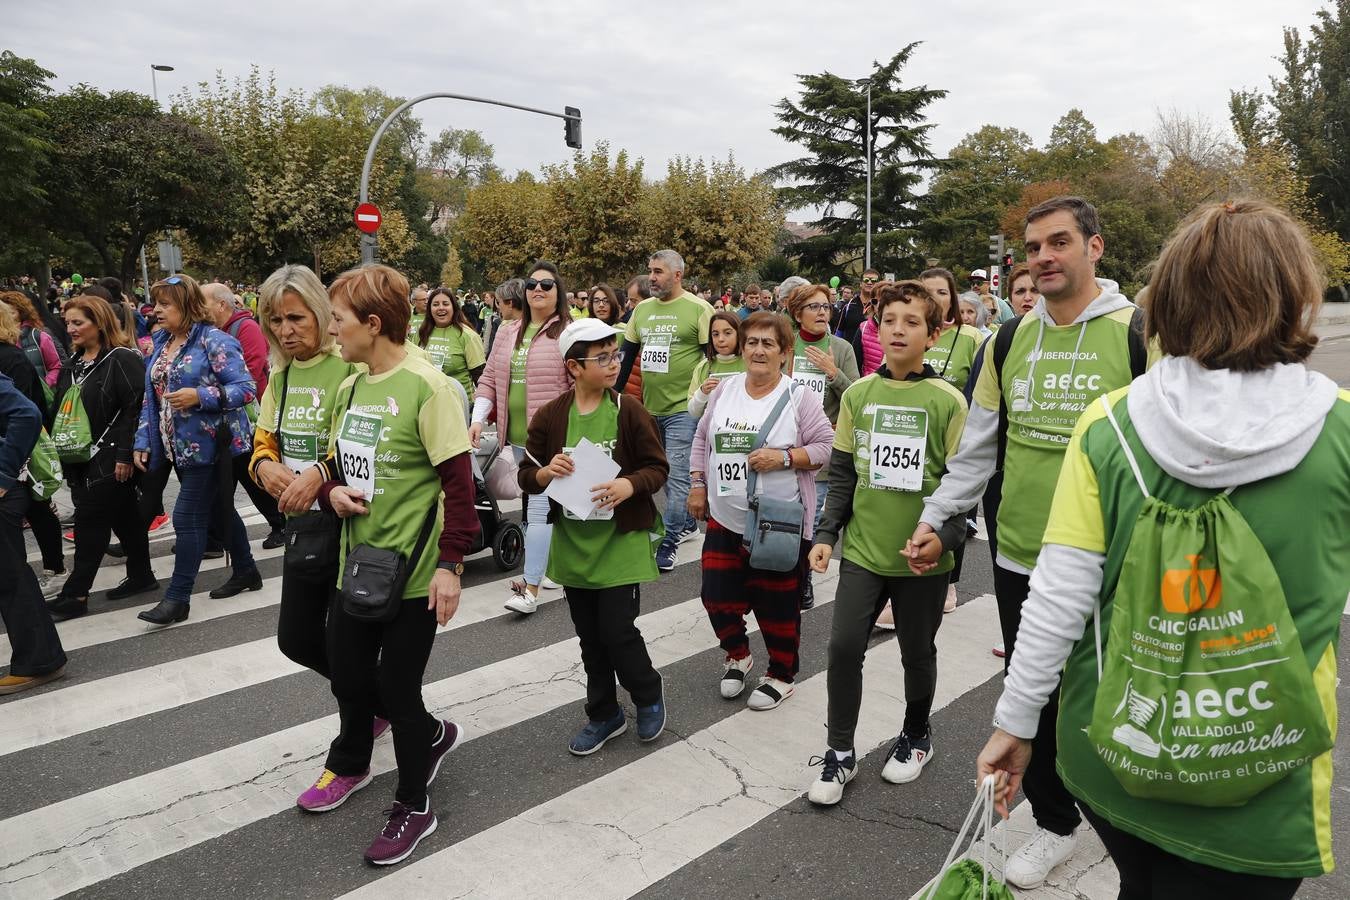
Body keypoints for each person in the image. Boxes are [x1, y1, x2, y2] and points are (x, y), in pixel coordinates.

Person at [977, 199, 1348, 900]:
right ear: (1295, 294)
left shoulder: (1110, 425)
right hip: (1264, 764)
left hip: (1118, 750)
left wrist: (1016, 721)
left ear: (1172, 298)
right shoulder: (1339, 432)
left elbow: (1059, 593)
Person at [913, 196, 1149, 889]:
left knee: (1121, 693)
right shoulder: (1007, 341)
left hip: (1117, 561)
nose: (1043, 257)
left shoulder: (1137, 331)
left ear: (1095, 247)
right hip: (1020, 554)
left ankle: (1129, 814)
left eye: (1059, 242)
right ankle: (1055, 824)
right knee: (1036, 696)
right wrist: (937, 518)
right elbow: (978, 449)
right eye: (1033, 246)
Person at [305, 263, 478, 866]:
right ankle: (431, 735)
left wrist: (451, 565)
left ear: (373, 325)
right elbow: (340, 460)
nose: (332, 330)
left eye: (339, 320)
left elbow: (460, 485)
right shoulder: (351, 386)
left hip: (414, 570)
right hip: (357, 566)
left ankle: (414, 804)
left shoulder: (429, 388)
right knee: (350, 679)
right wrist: (330, 490)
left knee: (400, 692)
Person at [805, 280, 968, 805]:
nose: (899, 329)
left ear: (934, 334)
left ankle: (917, 736)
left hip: (922, 560)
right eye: (889, 319)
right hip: (864, 553)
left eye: (912, 321)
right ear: (877, 326)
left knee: (916, 652)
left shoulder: (947, 401)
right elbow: (845, 473)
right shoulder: (858, 394)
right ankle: (839, 752)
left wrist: (941, 542)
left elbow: (963, 491)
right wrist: (828, 533)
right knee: (842, 647)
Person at [518, 319, 669, 755]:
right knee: (589, 637)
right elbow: (527, 473)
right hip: (574, 545)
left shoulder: (628, 409)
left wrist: (628, 485)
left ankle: (647, 694)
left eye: (614, 354)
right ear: (573, 366)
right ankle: (604, 713)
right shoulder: (551, 416)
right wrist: (546, 472)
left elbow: (657, 468)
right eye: (600, 357)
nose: (612, 363)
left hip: (619, 541)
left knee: (618, 631)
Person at [687, 312, 833, 711]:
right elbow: (702, 439)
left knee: (777, 607)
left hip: (778, 522)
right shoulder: (725, 390)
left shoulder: (798, 397)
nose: (758, 350)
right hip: (725, 517)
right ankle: (738, 654)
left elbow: (825, 446)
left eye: (769, 344)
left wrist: (783, 458)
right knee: (716, 597)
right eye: (752, 342)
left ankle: (781, 675)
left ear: (785, 353)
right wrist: (698, 485)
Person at [248, 265, 360, 766]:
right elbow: (263, 438)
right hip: (304, 527)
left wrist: (320, 471)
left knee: (346, 644)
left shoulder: (349, 367)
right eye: (275, 320)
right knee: (296, 639)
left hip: (352, 523)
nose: (286, 330)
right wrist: (263, 465)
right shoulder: (282, 373)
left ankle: (354, 744)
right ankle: (392, 708)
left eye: (296, 317)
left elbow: (362, 441)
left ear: (319, 313)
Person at [132, 275, 260, 626]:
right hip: (176, 447)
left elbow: (246, 389)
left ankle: (177, 599)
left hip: (210, 447)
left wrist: (200, 397)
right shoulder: (162, 341)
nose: (156, 310)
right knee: (221, 509)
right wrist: (143, 439)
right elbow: (151, 398)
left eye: (165, 303)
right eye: (156, 303)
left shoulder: (214, 341)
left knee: (187, 518)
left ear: (187, 306)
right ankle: (247, 570)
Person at [44, 297, 156, 621]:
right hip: (80, 455)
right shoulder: (74, 363)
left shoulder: (121, 358)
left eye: (78, 322)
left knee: (90, 522)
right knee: (125, 518)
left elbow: (137, 408)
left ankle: (75, 594)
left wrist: (125, 453)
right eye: (68, 323)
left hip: (109, 457)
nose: (71, 329)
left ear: (100, 322)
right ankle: (141, 576)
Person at [470, 261, 570, 614]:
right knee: (543, 505)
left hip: (552, 439)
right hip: (514, 436)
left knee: (541, 508)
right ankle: (556, 565)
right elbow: (489, 379)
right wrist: (479, 418)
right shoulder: (507, 331)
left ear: (558, 293)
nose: (538, 289)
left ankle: (530, 588)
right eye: (531, 284)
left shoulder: (568, 332)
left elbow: (580, 386)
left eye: (546, 284)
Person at [615, 250, 714, 572]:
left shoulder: (699, 309)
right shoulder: (641, 310)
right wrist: (613, 396)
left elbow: (713, 356)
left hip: (685, 409)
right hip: (648, 408)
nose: (652, 277)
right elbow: (626, 356)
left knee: (677, 473)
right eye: (650, 271)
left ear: (678, 275)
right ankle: (685, 524)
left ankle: (668, 541)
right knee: (658, 474)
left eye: (658, 271)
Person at [787, 282, 859, 609]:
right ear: (797, 313)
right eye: (813, 307)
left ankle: (803, 580)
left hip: (822, 449)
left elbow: (856, 399)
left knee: (811, 519)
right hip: (785, 445)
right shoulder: (785, 345)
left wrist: (833, 373)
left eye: (825, 307)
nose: (821, 313)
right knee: (787, 515)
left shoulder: (841, 348)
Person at [204, 282, 285, 550]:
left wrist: (215, 392)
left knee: (251, 475)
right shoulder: (215, 332)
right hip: (227, 416)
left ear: (221, 304)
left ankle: (278, 524)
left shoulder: (246, 328)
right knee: (232, 479)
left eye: (203, 302)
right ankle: (217, 535)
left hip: (248, 415)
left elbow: (251, 369)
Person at [0, 372, 67, 694]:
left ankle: (40, 660)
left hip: (5, 491)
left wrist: (3, 473)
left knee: (10, 578)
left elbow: (26, 414)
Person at [0, 301, 65, 595]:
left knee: (37, 508)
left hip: (20, 450)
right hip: (15, 448)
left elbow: (25, 410)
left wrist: (13, 457)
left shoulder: (10, 357)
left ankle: (55, 569)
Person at [415, 286, 486, 400]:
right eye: (436, 304)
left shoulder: (468, 335)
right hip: (427, 402)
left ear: (454, 307)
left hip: (459, 403)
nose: (441, 308)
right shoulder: (421, 333)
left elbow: (481, 377)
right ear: (429, 309)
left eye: (445, 304)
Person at [687, 311, 745, 420]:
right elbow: (693, 412)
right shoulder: (704, 366)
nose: (721, 339)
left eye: (727, 333)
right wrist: (703, 392)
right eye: (715, 334)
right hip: (712, 432)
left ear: (739, 333)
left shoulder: (749, 363)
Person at [2, 290, 64, 390]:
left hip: (38, 398)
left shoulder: (40, 336)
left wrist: (44, 386)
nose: (7, 317)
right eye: (4, 313)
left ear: (21, 312)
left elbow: (56, 367)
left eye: (11, 313)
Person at [483, 278, 524, 359]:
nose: (498, 306)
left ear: (510, 303)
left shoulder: (532, 330)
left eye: (498, 302)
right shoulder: (502, 328)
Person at [835, 270, 878, 342]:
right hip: (850, 352)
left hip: (872, 352)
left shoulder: (881, 306)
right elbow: (839, 332)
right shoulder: (847, 306)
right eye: (866, 280)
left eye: (873, 281)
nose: (869, 283)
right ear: (861, 283)